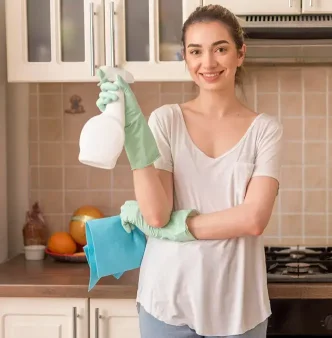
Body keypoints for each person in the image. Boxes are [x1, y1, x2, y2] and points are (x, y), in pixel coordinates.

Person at [95, 4, 283, 338]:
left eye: (220, 49)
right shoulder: (165, 120)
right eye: (196, 51)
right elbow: (156, 215)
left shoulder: (265, 130)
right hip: (167, 302)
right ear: (185, 58)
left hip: (238, 306)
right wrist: (136, 140)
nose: (207, 63)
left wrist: (179, 227)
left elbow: (253, 219)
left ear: (240, 54)